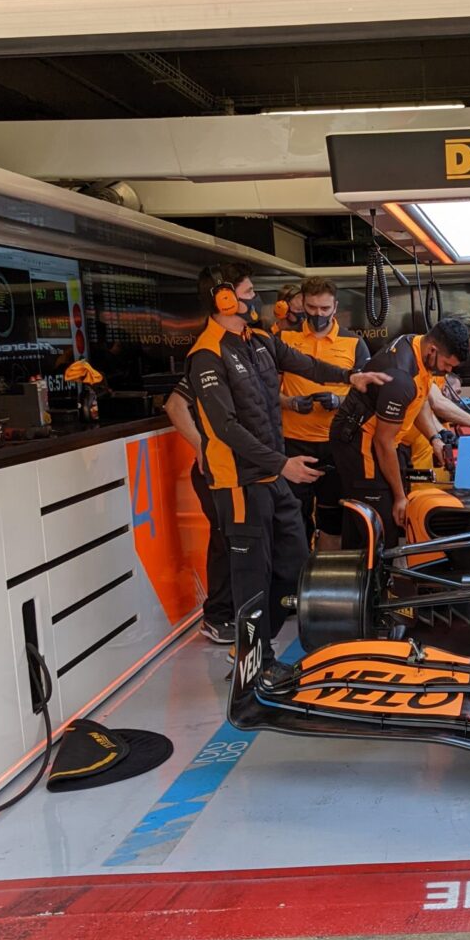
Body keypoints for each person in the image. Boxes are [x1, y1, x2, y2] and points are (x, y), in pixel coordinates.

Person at [185, 264, 387, 663]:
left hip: (272, 473)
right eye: (248, 292)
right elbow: (226, 428)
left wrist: (351, 377)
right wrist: (282, 464)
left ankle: (257, 644)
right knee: (252, 578)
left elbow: (305, 364)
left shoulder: (259, 339)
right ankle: (251, 658)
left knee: (295, 567)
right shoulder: (206, 355)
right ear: (224, 300)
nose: (255, 299)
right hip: (239, 483)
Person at [330, 317, 470, 546]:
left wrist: (434, 438)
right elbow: (383, 442)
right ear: (432, 349)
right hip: (361, 444)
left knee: (362, 523)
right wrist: (399, 497)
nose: (448, 371)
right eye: (447, 364)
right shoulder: (401, 378)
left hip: (377, 439)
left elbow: (418, 399)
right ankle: (377, 567)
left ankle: (358, 564)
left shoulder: (416, 345)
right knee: (382, 527)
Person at [279, 278, 370, 552]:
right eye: (312, 307)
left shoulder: (354, 343)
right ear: (302, 305)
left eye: (324, 308)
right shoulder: (284, 340)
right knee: (293, 521)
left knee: (333, 520)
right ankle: (298, 573)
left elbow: (368, 395)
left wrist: (340, 401)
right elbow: (264, 390)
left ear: (335, 307)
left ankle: (326, 573)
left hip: (337, 444)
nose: (318, 314)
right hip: (292, 443)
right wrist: (290, 402)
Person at [164, 378, 235, 643]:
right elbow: (174, 405)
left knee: (239, 539)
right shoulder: (207, 362)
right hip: (216, 469)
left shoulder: (253, 360)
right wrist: (201, 446)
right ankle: (217, 617)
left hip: (242, 466)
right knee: (226, 538)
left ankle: (234, 612)